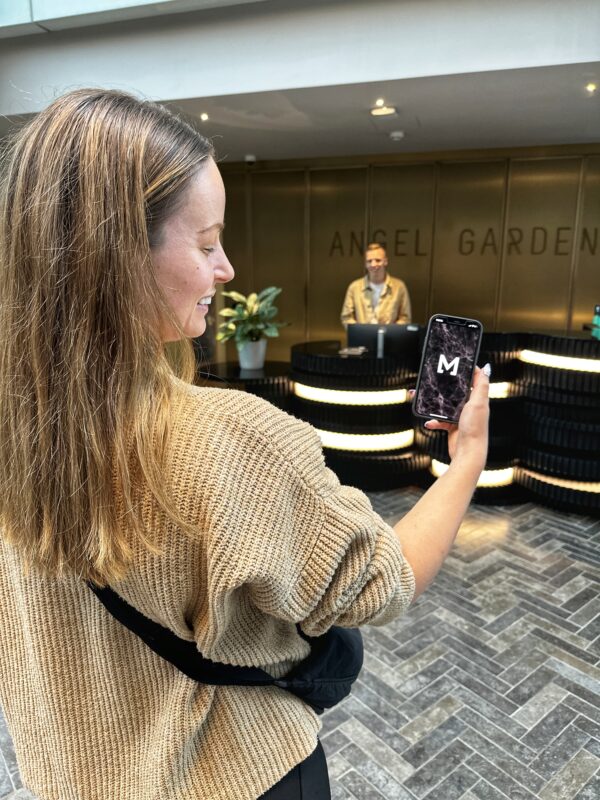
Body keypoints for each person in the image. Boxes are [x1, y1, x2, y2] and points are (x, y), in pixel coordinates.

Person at [0, 88, 489, 800]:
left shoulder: (17, 434)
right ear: (116, 256)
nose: (226, 268)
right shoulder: (232, 445)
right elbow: (382, 582)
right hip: (239, 776)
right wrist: (466, 463)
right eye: (206, 244)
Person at [340, 242, 412, 326]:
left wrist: (389, 331)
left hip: (390, 334)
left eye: (378, 260)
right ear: (365, 264)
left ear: (385, 261)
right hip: (362, 335)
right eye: (369, 261)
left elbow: (405, 318)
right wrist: (360, 331)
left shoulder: (399, 287)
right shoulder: (354, 287)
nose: (373, 264)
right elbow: (346, 317)